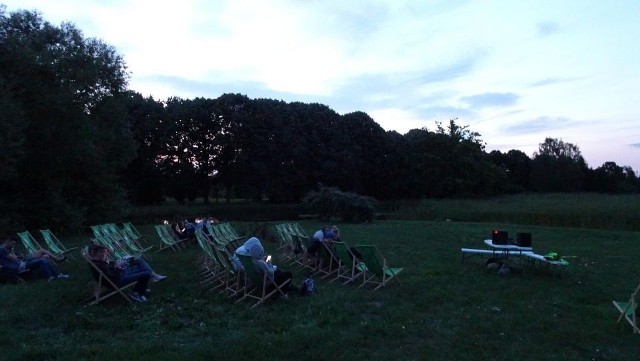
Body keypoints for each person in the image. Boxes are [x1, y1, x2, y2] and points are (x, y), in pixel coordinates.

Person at [88, 244, 167, 302]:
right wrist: (118, 267)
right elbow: (112, 276)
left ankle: (151, 279)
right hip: (117, 281)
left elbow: (109, 267)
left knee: (139, 260)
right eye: (105, 253)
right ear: (99, 254)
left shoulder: (99, 261)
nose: (107, 254)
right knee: (146, 273)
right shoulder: (98, 265)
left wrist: (116, 263)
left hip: (120, 274)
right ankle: (136, 293)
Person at [0, 238, 69, 281]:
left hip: (20, 263)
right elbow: (14, 259)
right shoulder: (2, 249)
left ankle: (57, 275)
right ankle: (51, 277)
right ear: (8, 242)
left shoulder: (4, 249)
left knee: (44, 258)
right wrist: (12, 251)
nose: (13, 245)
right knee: (42, 260)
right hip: (17, 267)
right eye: (12, 244)